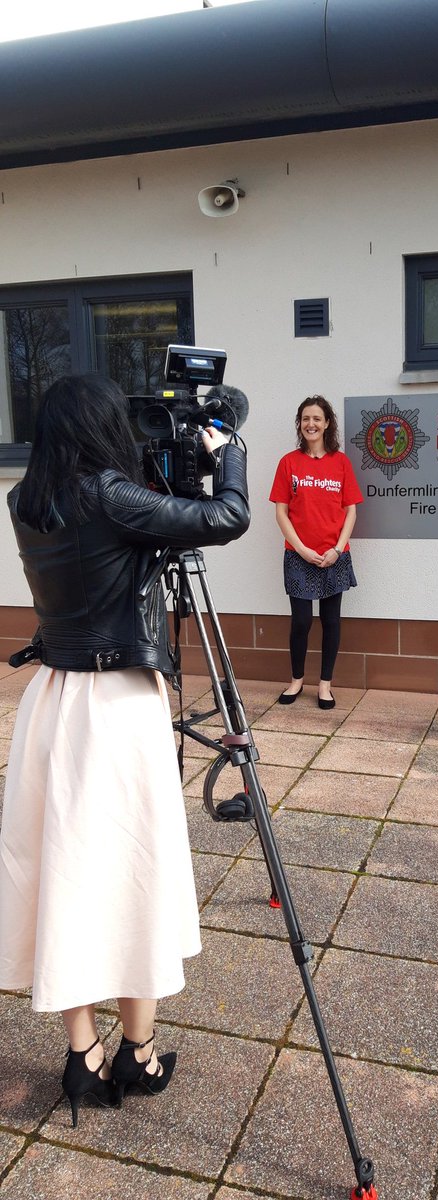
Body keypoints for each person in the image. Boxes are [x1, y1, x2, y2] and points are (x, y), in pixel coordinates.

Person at [0, 374, 249, 1127]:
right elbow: (228, 515)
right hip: (116, 707)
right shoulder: (111, 494)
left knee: (65, 877)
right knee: (134, 867)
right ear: (103, 427)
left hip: (52, 702)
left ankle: (84, 1057)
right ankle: (137, 1053)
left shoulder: (27, 500)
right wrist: (228, 447)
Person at [269, 395, 363, 709]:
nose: (311, 424)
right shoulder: (288, 463)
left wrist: (337, 549)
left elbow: (350, 511)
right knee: (301, 621)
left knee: (331, 620)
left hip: (334, 555)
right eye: (306, 419)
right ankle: (296, 680)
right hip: (299, 555)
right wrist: (302, 549)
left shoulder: (341, 463)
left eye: (317, 419)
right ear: (300, 424)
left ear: (327, 424)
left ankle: (325, 685)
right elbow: (281, 513)